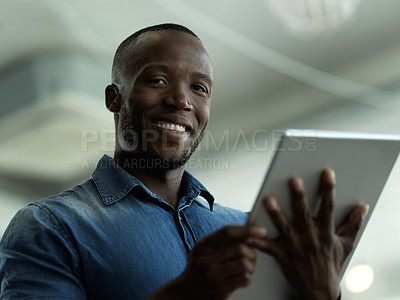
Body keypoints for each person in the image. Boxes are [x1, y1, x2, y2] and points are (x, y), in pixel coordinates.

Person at [0, 23, 368, 300]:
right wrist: (186, 293)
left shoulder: (248, 228)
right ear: (115, 98)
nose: (181, 100)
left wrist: (322, 291)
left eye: (199, 88)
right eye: (158, 80)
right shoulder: (50, 227)